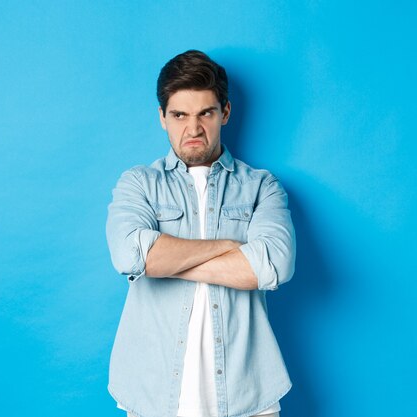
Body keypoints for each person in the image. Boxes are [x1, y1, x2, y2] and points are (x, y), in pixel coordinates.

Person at [106, 50, 296, 417]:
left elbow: (272, 266)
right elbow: (131, 256)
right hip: (154, 394)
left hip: (248, 396)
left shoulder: (262, 187)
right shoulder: (139, 184)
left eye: (205, 113)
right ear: (162, 117)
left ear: (225, 112)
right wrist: (229, 247)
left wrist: (165, 260)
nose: (192, 129)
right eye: (179, 115)